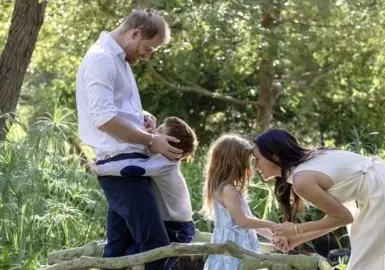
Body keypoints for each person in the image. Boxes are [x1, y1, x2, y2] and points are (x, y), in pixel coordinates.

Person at [75, 9, 182, 270]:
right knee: (157, 247)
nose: (148, 56)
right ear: (136, 33)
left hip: (126, 165)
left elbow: (113, 110)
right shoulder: (102, 59)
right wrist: (150, 141)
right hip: (121, 167)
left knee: (118, 249)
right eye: (149, 47)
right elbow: (104, 120)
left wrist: (141, 117)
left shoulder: (117, 60)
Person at [253, 128, 385, 270]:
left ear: (274, 156)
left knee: (365, 262)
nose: (256, 166)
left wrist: (296, 229)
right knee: (380, 257)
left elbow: (343, 217)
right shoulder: (307, 166)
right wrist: (297, 238)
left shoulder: (301, 179)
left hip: (384, 189)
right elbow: (337, 218)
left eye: (257, 159)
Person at [88, 116, 197, 269]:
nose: (154, 134)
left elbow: (133, 168)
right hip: (168, 223)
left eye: (159, 131)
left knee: (156, 259)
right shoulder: (160, 158)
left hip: (177, 229)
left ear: (172, 147)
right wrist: (150, 128)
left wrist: (101, 168)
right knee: (132, 253)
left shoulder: (165, 164)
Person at [201, 134, 277, 270]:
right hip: (233, 248)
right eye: (247, 162)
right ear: (236, 164)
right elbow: (243, 222)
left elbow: (249, 220)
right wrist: (271, 224)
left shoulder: (228, 189)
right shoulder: (228, 190)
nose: (250, 168)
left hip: (238, 245)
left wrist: (273, 237)